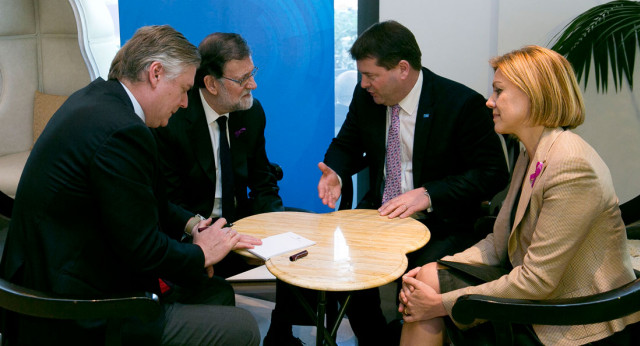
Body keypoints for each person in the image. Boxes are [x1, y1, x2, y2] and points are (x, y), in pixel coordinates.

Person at [0, 25, 261, 345]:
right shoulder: (123, 131)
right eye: (182, 90)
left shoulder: (99, 99)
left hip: (52, 273)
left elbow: (140, 202)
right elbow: (143, 251)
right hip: (74, 309)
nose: (183, 103)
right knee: (244, 327)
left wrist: (192, 225)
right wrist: (200, 255)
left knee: (214, 294)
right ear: (155, 73)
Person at [398, 45, 640, 345]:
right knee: (425, 280)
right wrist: (439, 266)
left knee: (427, 303)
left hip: (574, 315)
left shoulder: (571, 165)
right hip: (545, 289)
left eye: (498, 91)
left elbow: (537, 282)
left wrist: (441, 305)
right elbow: (500, 243)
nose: (489, 102)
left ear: (533, 95)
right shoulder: (533, 151)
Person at [316, 20, 509, 344]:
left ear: (402, 69)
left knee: (418, 276)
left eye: (371, 75)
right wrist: (334, 171)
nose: (363, 84)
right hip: (380, 210)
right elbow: (346, 143)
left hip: (441, 219)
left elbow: (492, 173)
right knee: (343, 265)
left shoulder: (459, 104)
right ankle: (376, 339)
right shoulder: (367, 98)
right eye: (362, 75)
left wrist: (430, 193)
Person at [152, 32, 305, 346]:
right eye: (243, 78)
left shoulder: (250, 110)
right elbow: (168, 201)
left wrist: (275, 226)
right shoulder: (174, 118)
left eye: (253, 74)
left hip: (239, 221)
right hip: (194, 232)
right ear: (211, 84)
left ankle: (281, 334)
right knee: (213, 293)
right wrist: (204, 237)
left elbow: (262, 178)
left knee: (297, 237)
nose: (253, 85)